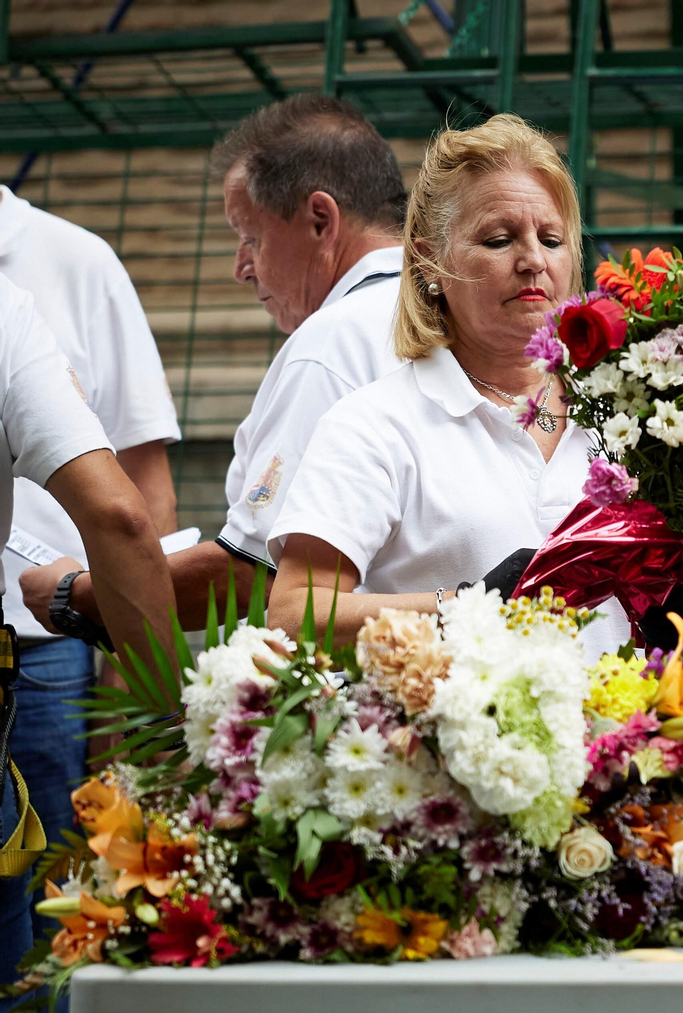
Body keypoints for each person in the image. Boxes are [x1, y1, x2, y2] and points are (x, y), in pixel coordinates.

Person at [267, 114, 678, 1013]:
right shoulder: (381, 421)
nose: (530, 261)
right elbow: (297, 611)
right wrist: (471, 608)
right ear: (430, 262)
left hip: (608, 821)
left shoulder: (634, 425)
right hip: (441, 831)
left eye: (549, 237)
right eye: (496, 239)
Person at [18, 94, 408, 634]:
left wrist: (79, 593)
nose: (239, 268)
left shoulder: (334, 345)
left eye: (251, 237)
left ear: (321, 220)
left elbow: (256, 577)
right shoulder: (457, 316)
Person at [0, 181, 183, 1013]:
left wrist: (112, 654)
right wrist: (165, 716)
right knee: (18, 974)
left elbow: (143, 486)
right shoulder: (8, 313)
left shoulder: (73, 263)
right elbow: (122, 516)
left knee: (49, 906)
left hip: (44, 652)